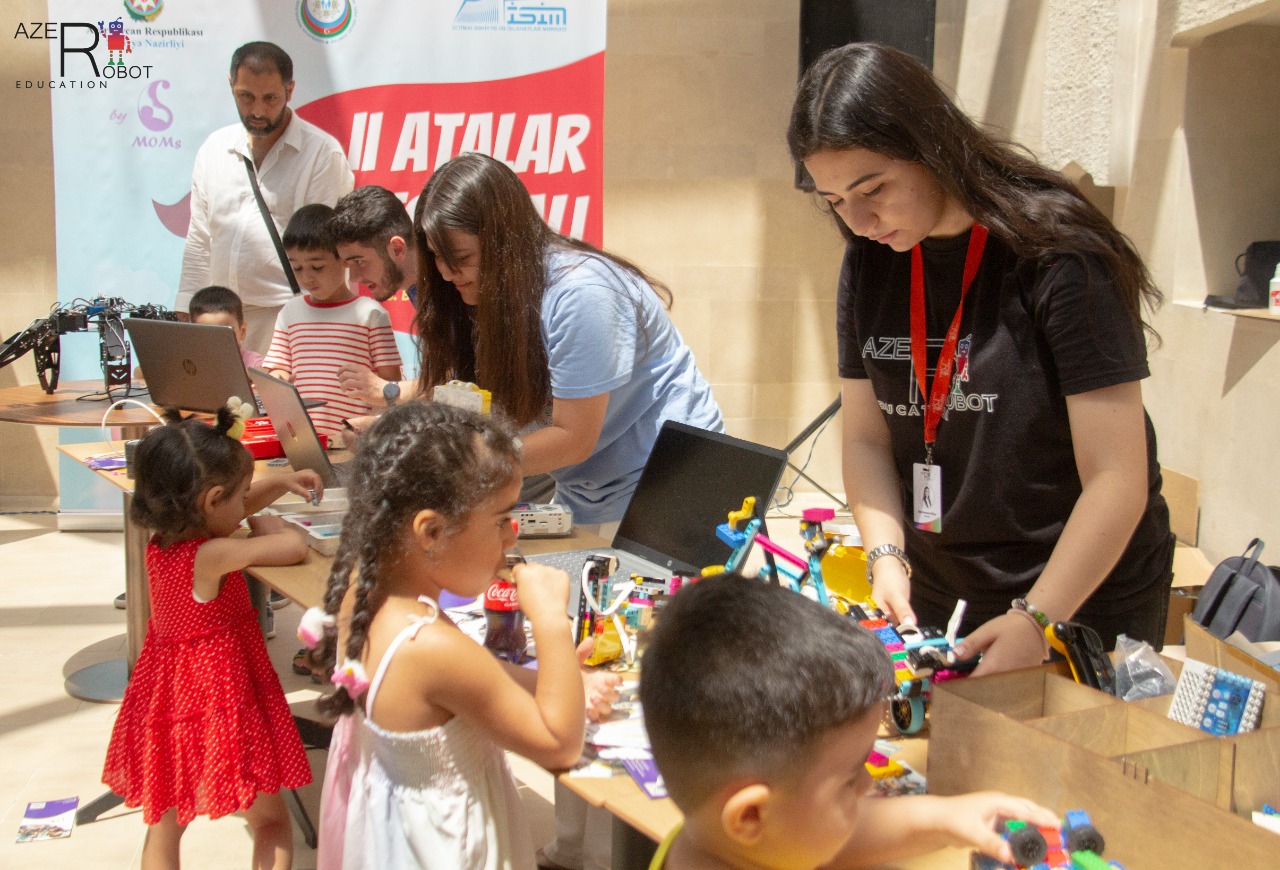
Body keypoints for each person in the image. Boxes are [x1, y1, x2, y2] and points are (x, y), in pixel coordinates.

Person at [786, 43, 1174, 676]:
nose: (857, 221)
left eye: (872, 188)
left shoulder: (1060, 255)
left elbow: (1117, 477)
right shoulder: (871, 261)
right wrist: (886, 555)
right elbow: (864, 437)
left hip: (1077, 595)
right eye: (833, 200)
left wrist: (1039, 620)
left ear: (931, 145)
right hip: (942, 590)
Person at [302, 401, 586, 869]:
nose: (512, 536)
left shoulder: (371, 595)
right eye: (500, 520)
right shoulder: (428, 645)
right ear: (431, 531)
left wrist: (564, 683)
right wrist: (551, 621)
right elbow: (559, 744)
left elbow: (481, 680)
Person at [639, 574, 1060, 870]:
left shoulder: (719, 839)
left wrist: (946, 818)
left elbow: (833, 835)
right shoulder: (776, 836)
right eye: (849, 778)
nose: (867, 786)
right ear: (750, 816)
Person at [410, 152, 723, 530]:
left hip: (670, 481)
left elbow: (573, 439)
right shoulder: (489, 295)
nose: (445, 273)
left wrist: (463, 468)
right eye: (436, 257)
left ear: (503, 242)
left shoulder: (581, 293)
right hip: (587, 487)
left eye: (460, 257)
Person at [100, 405, 325, 870]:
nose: (248, 505)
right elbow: (292, 547)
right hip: (221, 702)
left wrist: (280, 482)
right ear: (211, 500)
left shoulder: (165, 539)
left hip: (170, 703)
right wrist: (271, 524)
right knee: (270, 823)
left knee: (163, 824)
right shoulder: (215, 553)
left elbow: (229, 508)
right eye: (242, 497)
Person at [176, 41, 354, 356]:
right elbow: (200, 242)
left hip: (292, 316)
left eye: (270, 98)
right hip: (220, 320)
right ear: (231, 85)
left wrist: (320, 324)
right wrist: (185, 320)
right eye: (246, 97)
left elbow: (327, 251)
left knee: (289, 406)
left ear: (290, 90)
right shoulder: (214, 148)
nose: (258, 111)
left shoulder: (322, 154)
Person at [262, 203, 403, 438]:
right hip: (304, 438)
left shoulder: (370, 314)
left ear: (344, 260)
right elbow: (277, 367)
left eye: (317, 266)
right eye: (296, 267)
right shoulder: (290, 312)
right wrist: (277, 379)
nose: (307, 277)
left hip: (355, 438)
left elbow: (391, 383)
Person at [330, 184, 423, 410]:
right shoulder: (418, 289)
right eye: (348, 265)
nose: (355, 278)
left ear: (398, 249)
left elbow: (454, 383)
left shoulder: (446, 288)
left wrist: (386, 390)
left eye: (359, 262)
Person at [189, 285, 264, 369]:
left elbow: (261, 375)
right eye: (206, 334)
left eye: (224, 334)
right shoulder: (190, 362)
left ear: (242, 332)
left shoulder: (252, 361)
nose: (215, 341)